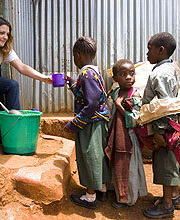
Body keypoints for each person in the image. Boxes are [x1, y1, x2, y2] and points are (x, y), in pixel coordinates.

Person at [64, 36, 111, 209]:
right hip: (99, 121)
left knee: (89, 156)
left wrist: (75, 123)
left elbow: (90, 103)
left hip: (90, 123)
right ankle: (102, 189)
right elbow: (88, 94)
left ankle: (90, 196)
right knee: (99, 154)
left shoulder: (86, 73)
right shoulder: (95, 71)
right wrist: (72, 83)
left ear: (77, 54)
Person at [142, 32, 180, 218]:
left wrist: (159, 131)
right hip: (169, 125)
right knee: (169, 162)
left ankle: (167, 205)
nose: (147, 53)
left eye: (149, 49)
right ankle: (173, 197)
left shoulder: (161, 73)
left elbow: (165, 106)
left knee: (166, 164)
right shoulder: (169, 68)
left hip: (165, 128)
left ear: (161, 50)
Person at [0, 15, 52, 110]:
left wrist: (45, 78)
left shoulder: (4, 50)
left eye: (7, 34)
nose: (5, 37)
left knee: (12, 85)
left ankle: (14, 118)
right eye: (2, 33)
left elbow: (22, 67)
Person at [105, 59, 147, 209]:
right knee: (116, 164)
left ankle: (128, 198)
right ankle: (117, 191)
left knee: (128, 167)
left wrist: (119, 106)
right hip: (116, 136)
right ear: (115, 78)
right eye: (123, 74)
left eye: (131, 73)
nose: (129, 77)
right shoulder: (115, 92)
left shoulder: (134, 95)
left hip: (129, 137)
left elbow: (135, 119)